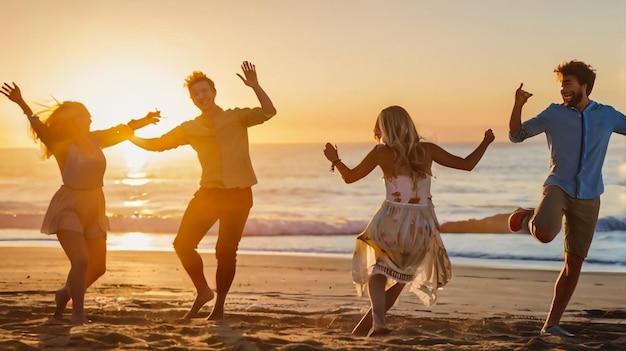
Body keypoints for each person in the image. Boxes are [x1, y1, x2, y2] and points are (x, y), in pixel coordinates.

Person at [324, 105, 494, 337]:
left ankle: (378, 323)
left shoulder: (381, 153)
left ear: (386, 128)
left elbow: (351, 177)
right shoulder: (428, 150)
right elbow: (467, 164)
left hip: (391, 221)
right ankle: (370, 327)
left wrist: (335, 159)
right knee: (401, 279)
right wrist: (486, 143)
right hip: (421, 225)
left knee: (379, 272)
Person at [1, 82, 159, 324]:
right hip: (69, 204)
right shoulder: (59, 142)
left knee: (98, 267)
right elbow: (39, 126)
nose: (91, 119)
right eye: (87, 116)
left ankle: (65, 293)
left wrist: (144, 121)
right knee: (82, 261)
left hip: (95, 205)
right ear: (76, 120)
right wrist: (22, 103)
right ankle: (77, 313)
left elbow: (122, 130)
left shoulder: (96, 139)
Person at [129, 61, 276, 320]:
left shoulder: (237, 116)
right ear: (192, 99)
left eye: (205, 91)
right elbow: (158, 145)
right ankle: (203, 291)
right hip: (208, 194)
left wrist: (255, 86)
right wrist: (129, 136)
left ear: (214, 92)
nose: (201, 97)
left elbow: (268, 111)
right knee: (183, 244)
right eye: (196, 94)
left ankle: (218, 308)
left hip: (239, 195)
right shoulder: (190, 128)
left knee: (226, 251)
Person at [507, 60, 626, 337]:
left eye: (568, 83)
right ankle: (529, 218)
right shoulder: (553, 114)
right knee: (545, 233)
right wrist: (518, 104)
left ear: (585, 86)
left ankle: (551, 324)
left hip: (590, 194)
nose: (563, 90)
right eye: (562, 85)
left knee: (573, 265)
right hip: (558, 185)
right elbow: (515, 135)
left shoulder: (607, 115)